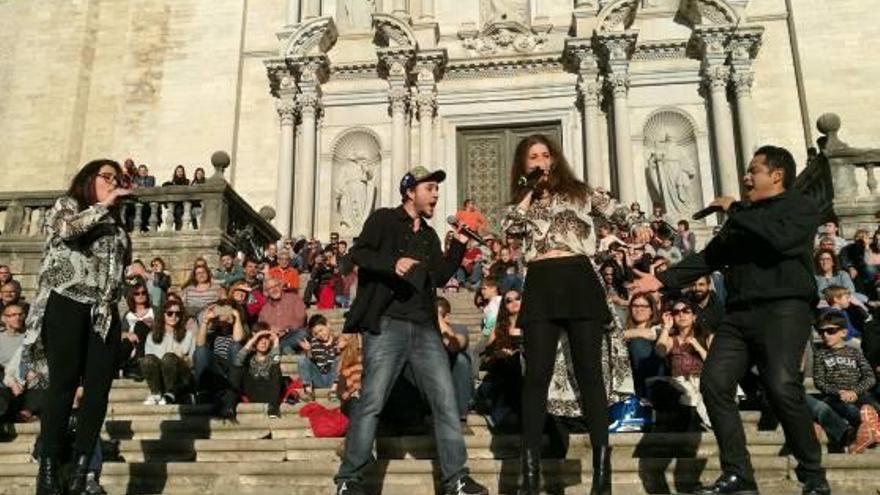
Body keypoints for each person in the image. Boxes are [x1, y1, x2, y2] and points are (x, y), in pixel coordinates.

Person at [630, 145, 831, 495]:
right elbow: (711, 255)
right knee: (714, 383)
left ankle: (813, 475)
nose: (746, 176)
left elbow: (779, 238)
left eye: (754, 170)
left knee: (782, 386)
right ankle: (738, 473)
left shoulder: (799, 206)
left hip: (783, 308)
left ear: (777, 175)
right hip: (739, 314)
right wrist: (661, 280)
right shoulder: (744, 217)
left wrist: (736, 209)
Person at [334, 166, 487, 495]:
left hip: (424, 328)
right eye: (430, 188)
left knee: (445, 402)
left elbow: (440, 276)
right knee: (372, 400)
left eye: (435, 189)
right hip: (387, 323)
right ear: (410, 192)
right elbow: (358, 253)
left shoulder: (430, 235)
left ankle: (456, 479)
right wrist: (393, 263)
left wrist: (458, 245)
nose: (435, 194)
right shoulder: (383, 219)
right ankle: (349, 480)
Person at [501, 134, 613, 495]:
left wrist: (638, 224)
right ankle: (530, 476)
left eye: (545, 155)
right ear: (523, 165)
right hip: (541, 283)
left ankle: (602, 473)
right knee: (536, 376)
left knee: (589, 373)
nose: (540, 162)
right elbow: (509, 229)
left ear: (555, 158)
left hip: (578, 278)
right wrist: (529, 192)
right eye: (532, 157)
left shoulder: (579, 192)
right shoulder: (523, 201)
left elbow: (619, 211)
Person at [17, 159, 132, 495]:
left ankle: (83, 471)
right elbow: (68, 231)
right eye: (107, 177)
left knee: (98, 390)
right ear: (89, 179)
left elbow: (116, 270)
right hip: (67, 302)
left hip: (103, 312)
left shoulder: (117, 227)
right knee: (63, 385)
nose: (113, 183)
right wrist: (103, 206)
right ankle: (49, 469)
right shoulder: (67, 206)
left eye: (117, 179)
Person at [812, 311, 880, 453]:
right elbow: (819, 381)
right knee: (846, 408)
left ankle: (869, 428)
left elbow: (870, 377)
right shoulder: (820, 354)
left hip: (857, 392)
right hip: (835, 395)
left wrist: (855, 391)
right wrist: (838, 392)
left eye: (831, 331)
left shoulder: (855, 353)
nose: (825, 335)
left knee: (872, 405)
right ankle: (865, 429)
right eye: (821, 332)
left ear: (843, 332)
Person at [654, 299, 713, 429]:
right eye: (676, 312)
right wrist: (666, 328)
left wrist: (697, 346)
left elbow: (715, 363)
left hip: (703, 380)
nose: (681, 315)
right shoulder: (671, 339)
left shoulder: (707, 336)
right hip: (679, 383)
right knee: (689, 393)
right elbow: (660, 352)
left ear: (694, 317)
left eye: (686, 311)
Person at [141, 301, 194, 405]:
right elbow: (150, 361)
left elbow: (192, 362)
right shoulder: (152, 336)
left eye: (177, 314)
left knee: (169, 358)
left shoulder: (188, 335)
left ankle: (170, 394)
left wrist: (184, 359)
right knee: (148, 360)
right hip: (160, 376)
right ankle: (156, 393)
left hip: (180, 377)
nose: (174, 316)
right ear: (163, 315)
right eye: (170, 313)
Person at [231, 323, 282, 418]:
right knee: (237, 369)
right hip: (252, 391)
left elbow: (276, 361)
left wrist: (276, 341)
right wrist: (254, 339)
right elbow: (237, 361)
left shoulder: (272, 357)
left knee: (276, 368)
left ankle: (273, 408)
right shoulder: (248, 357)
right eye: (259, 339)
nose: (263, 342)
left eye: (266, 339)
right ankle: (229, 406)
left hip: (269, 393)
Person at [437, 296, 473, 421]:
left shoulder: (459, 328)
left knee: (461, 359)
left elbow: (455, 346)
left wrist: (439, 321)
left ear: (447, 316)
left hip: (453, 383)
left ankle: (460, 413)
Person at [622, 293, 664, 399]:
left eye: (644, 306)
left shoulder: (659, 328)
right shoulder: (624, 329)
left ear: (651, 310)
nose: (639, 309)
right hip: (630, 379)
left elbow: (650, 334)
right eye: (635, 306)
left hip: (652, 377)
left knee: (638, 343)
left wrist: (620, 335)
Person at [257, 277, 307, 355]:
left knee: (303, 333)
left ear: (280, 286)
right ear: (267, 292)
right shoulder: (265, 309)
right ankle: (283, 349)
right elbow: (261, 326)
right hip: (274, 338)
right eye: (270, 288)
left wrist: (284, 330)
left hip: (292, 334)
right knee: (286, 349)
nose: (274, 289)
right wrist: (270, 331)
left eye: (275, 286)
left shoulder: (294, 298)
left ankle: (278, 348)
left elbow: (300, 319)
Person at [297, 315, 339, 401]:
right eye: (316, 333)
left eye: (321, 330)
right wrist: (308, 350)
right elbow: (310, 360)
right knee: (302, 359)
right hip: (319, 377)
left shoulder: (338, 340)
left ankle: (333, 391)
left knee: (339, 359)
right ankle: (308, 392)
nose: (320, 334)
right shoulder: (314, 343)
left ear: (328, 325)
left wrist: (340, 349)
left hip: (333, 379)